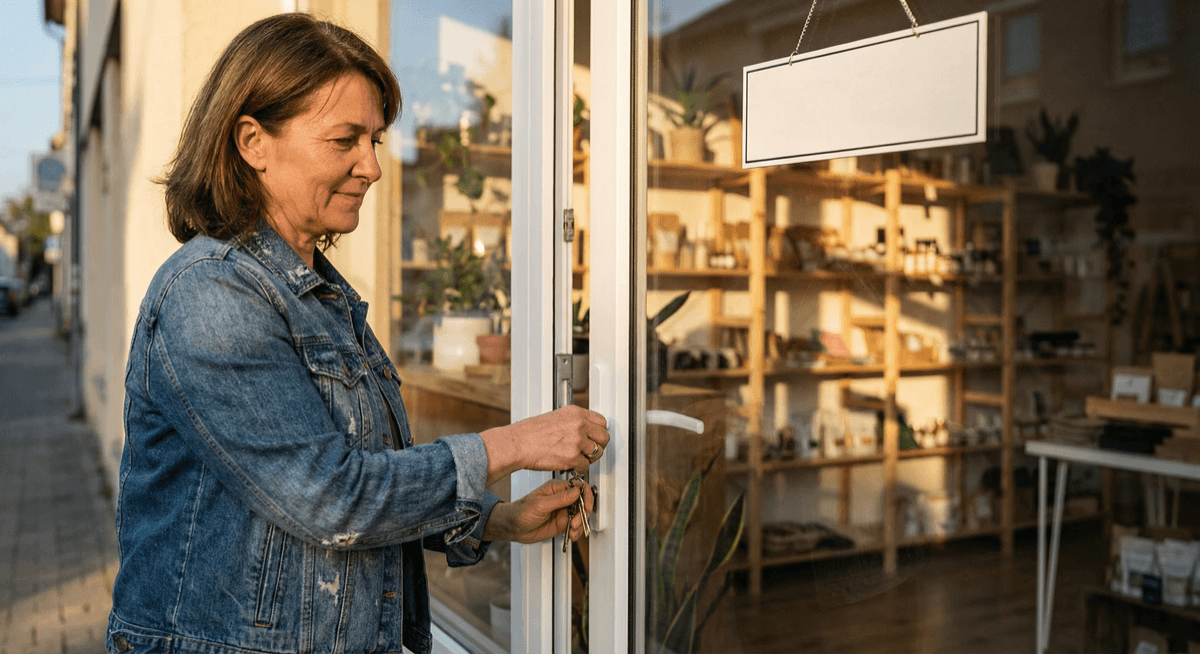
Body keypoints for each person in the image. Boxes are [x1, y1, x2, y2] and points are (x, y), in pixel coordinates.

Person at [106, 13, 607, 654]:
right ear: (252, 142)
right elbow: (331, 497)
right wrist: (514, 444)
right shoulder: (211, 293)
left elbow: (366, 477)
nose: (372, 167)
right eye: (346, 140)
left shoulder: (319, 292)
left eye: (375, 139)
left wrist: (496, 520)